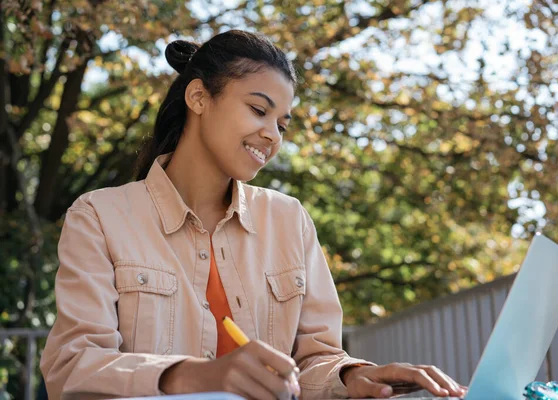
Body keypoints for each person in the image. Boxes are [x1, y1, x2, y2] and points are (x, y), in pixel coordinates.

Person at [40, 30, 467, 400]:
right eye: (259, 110)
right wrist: (197, 376)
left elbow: (314, 361)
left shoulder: (289, 220)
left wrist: (353, 377)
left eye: (282, 124)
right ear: (198, 97)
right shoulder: (99, 216)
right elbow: (71, 370)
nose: (272, 134)